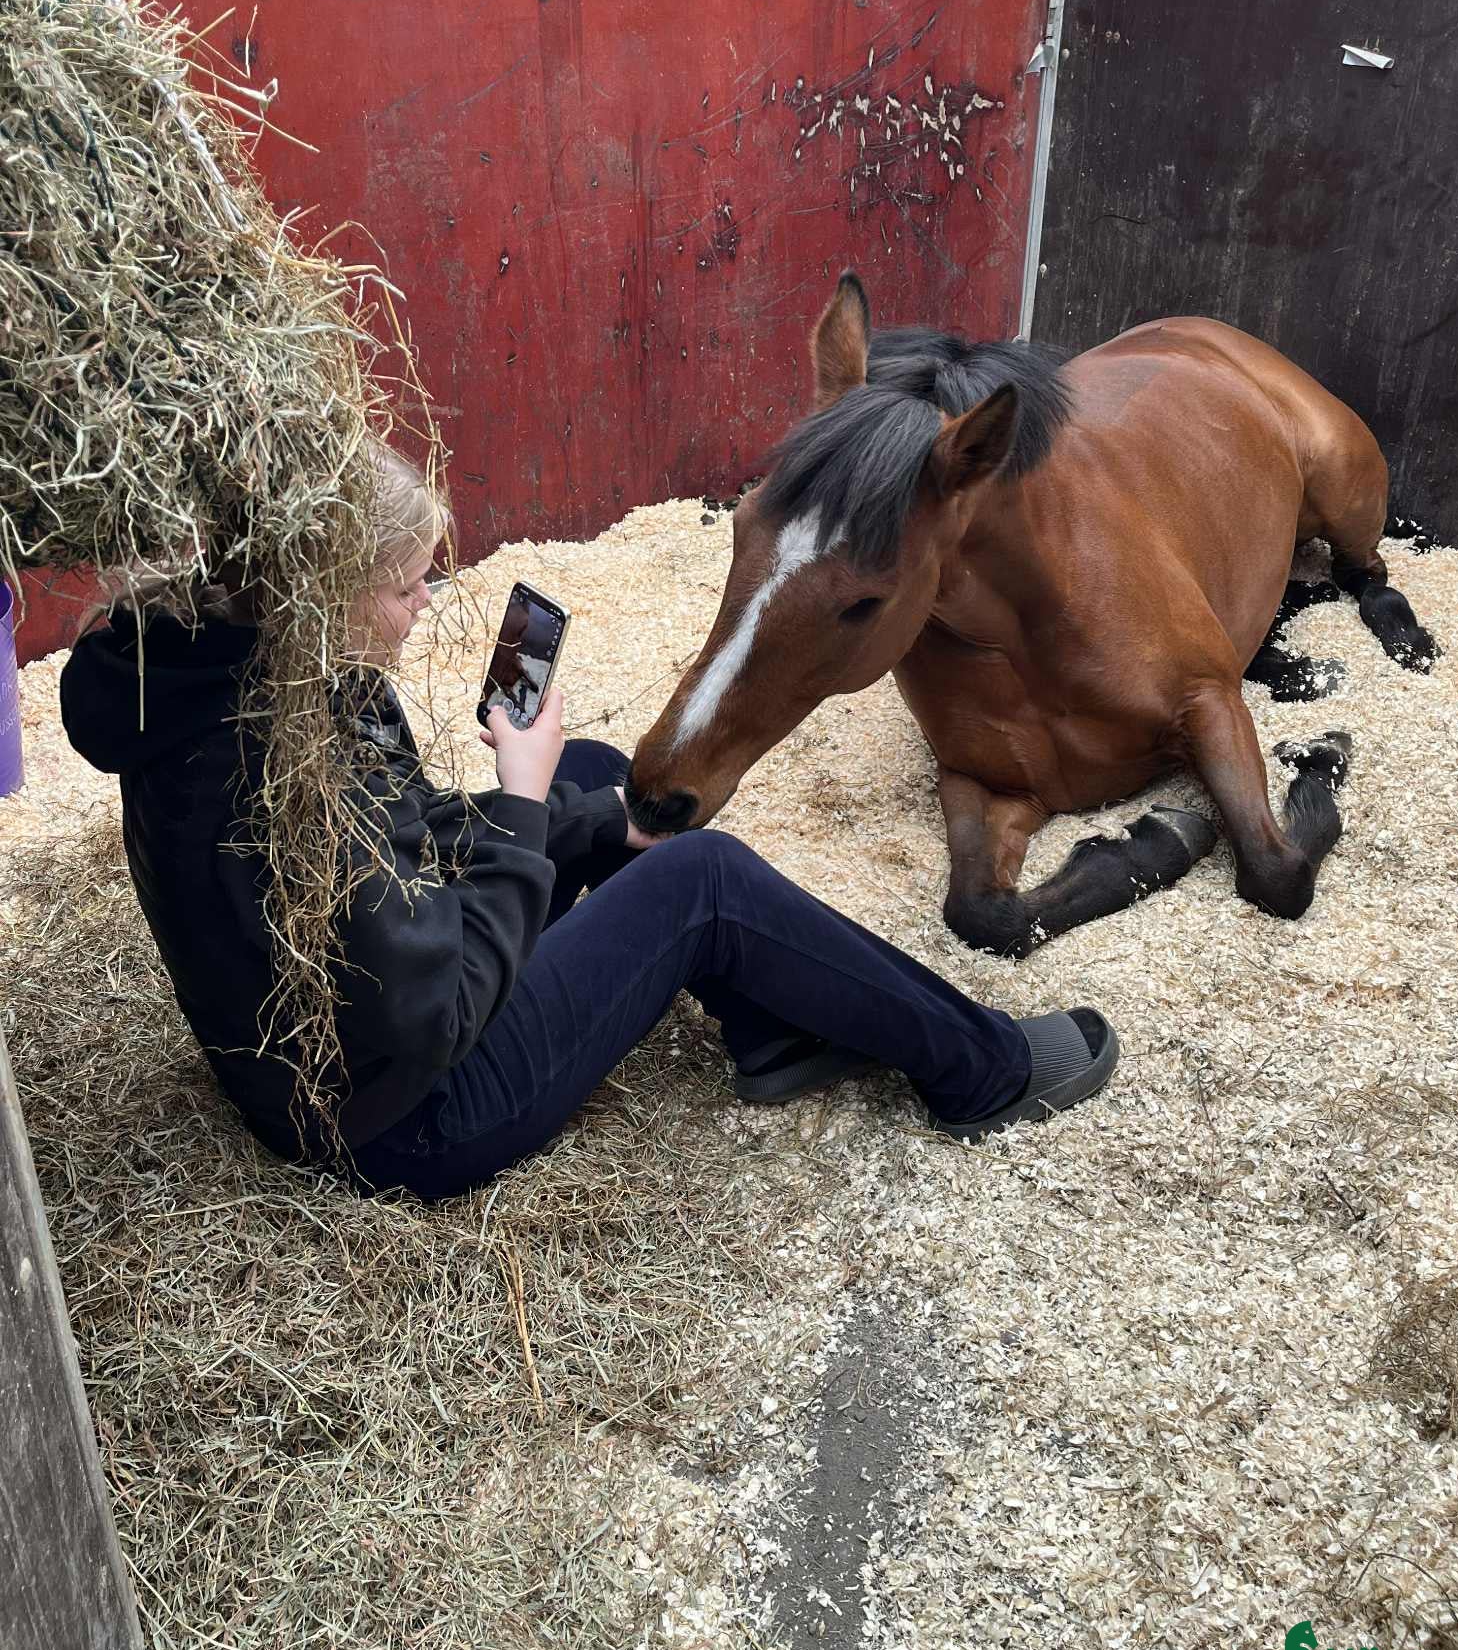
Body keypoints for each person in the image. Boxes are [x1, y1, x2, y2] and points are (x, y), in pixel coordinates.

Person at [59, 447, 1120, 1201]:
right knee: (699, 876)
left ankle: (770, 1030)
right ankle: (982, 1068)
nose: (427, 601)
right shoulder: (280, 765)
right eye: (405, 584)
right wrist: (522, 801)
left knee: (609, 783)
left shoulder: (234, 672)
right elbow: (434, 1007)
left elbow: (405, 841)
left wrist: (563, 809)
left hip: (341, 1053)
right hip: (404, 1117)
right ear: (321, 588)